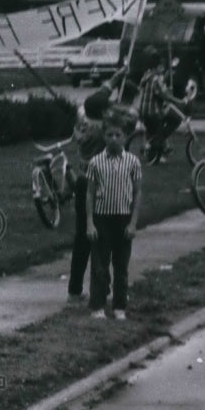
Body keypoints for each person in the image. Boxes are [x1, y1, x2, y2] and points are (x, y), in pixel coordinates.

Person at [68, 65, 130, 301]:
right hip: (99, 185)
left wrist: (118, 75)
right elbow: (124, 122)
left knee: (81, 237)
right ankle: (101, 289)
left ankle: (75, 289)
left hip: (82, 182)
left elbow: (103, 92)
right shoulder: (100, 133)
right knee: (100, 238)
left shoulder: (84, 119)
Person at [85, 118, 142, 320]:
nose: (114, 139)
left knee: (121, 265)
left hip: (123, 218)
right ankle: (98, 304)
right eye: (110, 135)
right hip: (102, 218)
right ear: (104, 137)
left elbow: (136, 193)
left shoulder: (132, 162)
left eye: (118, 135)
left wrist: (133, 223)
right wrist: (90, 223)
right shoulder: (95, 162)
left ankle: (119, 306)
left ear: (125, 137)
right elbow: (90, 194)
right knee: (100, 264)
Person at [137, 51, 184, 163]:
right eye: (161, 67)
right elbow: (164, 94)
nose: (162, 69)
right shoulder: (157, 78)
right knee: (176, 119)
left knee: (154, 130)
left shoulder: (147, 75)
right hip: (153, 112)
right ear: (157, 67)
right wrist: (179, 101)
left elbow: (157, 90)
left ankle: (159, 146)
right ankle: (158, 143)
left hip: (143, 111)